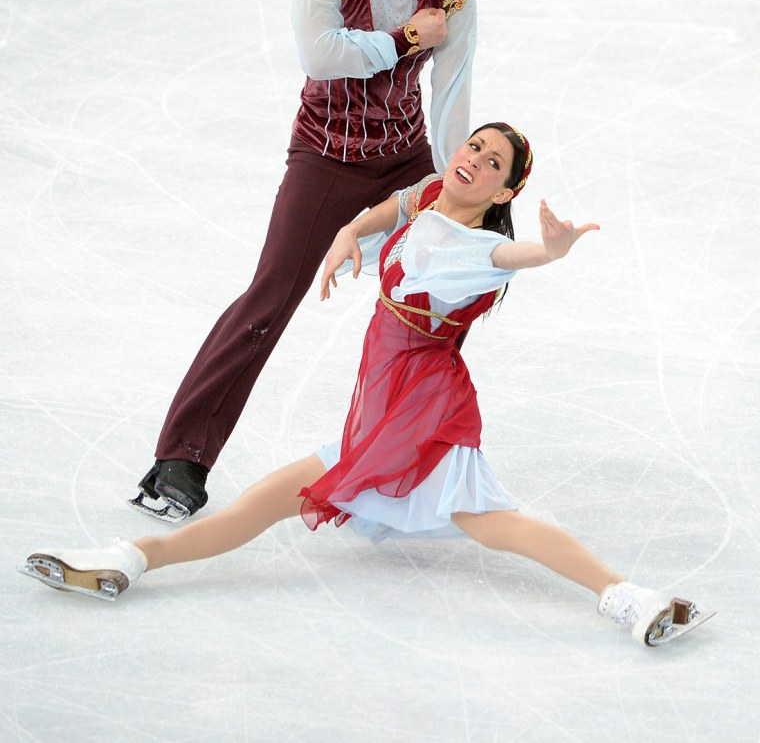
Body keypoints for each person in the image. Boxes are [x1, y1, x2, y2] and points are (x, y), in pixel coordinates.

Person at [21, 124, 712, 647]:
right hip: (378, 409)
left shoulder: (481, 253)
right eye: (474, 145)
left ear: (504, 192)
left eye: (493, 163)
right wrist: (349, 231)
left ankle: (628, 597)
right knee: (266, 502)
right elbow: (392, 207)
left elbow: (517, 254)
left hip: (422, 405)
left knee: (496, 524)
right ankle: (127, 561)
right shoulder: (434, 195)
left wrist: (553, 250)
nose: (472, 158)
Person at [131, 0, 479, 522]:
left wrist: (447, 187)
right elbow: (320, 54)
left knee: (438, 296)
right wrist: (404, 38)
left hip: (405, 158)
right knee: (271, 294)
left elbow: (453, 91)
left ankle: (411, 457)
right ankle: (182, 457)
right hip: (326, 155)